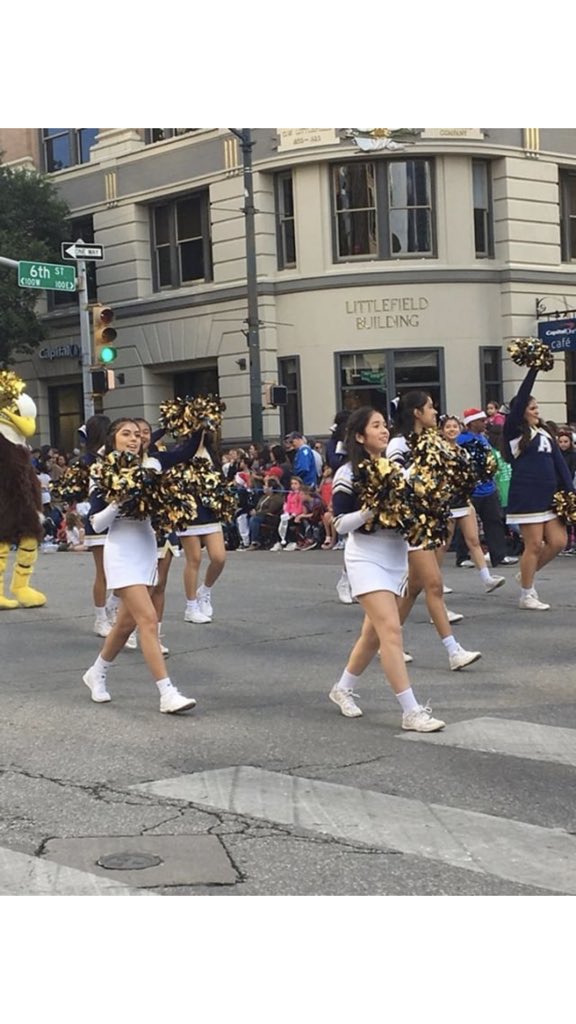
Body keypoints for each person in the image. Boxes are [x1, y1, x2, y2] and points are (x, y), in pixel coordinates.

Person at [329, 406, 445, 731]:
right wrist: (370, 511)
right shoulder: (347, 473)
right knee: (391, 631)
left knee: (372, 635)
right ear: (359, 436)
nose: (383, 431)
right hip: (365, 558)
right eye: (376, 426)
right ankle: (411, 711)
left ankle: (342, 688)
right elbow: (339, 524)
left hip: (396, 559)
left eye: (384, 425)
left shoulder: (397, 470)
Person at [82, 417, 198, 713]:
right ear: (113, 439)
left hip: (147, 549)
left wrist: (198, 421)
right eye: (126, 434)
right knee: (147, 619)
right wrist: (118, 502)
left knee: (125, 625)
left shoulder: (153, 464)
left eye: (137, 434)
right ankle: (167, 693)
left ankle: (97, 672)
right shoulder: (102, 470)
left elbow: (186, 451)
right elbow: (96, 524)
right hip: (120, 551)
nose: (133, 439)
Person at [387, 392, 481, 671]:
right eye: (429, 407)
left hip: (431, 518)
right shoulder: (399, 443)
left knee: (413, 588)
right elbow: (394, 482)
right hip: (412, 523)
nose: (435, 412)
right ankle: (453, 651)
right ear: (416, 412)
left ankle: (386, 642)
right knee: (434, 584)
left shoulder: (435, 441)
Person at [503, 365, 574, 610]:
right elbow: (522, 395)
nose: (537, 411)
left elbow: (559, 463)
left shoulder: (543, 432)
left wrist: (570, 491)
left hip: (549, 496)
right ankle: (526, 594)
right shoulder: (514, 431)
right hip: (527, 496)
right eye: (532, 408)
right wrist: (534, 369)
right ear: (521, 411)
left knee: (558, 541)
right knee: (533, 545)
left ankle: (526, 572)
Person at [438, 416, 506, 594]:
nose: (452, 430)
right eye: (448, 427)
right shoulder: (438, 451)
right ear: (442, 431)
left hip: (464, 500)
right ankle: (436, 580)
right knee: (444, 544)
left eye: (455, 426)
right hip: (447, 502)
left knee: (474, 540)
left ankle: (486, 578)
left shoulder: (463, 451)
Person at [455, 409, 518, 570]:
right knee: (466, 523)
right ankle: (462, 557)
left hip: (488, 488)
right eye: (481, 421)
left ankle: (499, 555)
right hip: (471, 489)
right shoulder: (461, 440)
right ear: (471, 423)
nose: (485, 423)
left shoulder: (484, 439)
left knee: (494, 521)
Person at [178, 427, 228, 625]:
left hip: (210, 511)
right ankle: (190, 607)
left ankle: (204, 591)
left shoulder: (211, 453)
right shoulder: (180, 453)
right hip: (188, 512)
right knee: (194, 559)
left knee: (219, 557)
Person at [247, 476, 284, 548]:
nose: (263, 487)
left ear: (271, 488)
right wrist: (255, 510)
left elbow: (271, 510)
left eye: (265, 486)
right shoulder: (263, 497)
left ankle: (255, 541)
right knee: (247, 518)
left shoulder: (277, 498)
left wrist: (257, 513)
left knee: (254, 519)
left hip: (270, 517)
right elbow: (258, 507)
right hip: (260, 515)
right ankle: (247, 540)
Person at [271, 475, 306, 551]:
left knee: (289, 523)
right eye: (292, 483)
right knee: (278, 521)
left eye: (295, 483)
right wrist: (286, 513)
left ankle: (292, 542)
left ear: (300, 485)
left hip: (297, 514)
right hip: (289, 513)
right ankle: (279, 541)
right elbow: (288, 506)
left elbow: (300, 507)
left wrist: (293, 514)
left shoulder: (301, 494)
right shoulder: (290, 494)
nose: (293, 485)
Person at [556, 427, 576, 553]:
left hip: (570, 488)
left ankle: (573, 543)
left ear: (570, 442)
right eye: (561, 442)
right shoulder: (556, 455)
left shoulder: (573, 455)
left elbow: (572, 472)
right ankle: (566, 542)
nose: (563, 444)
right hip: (558, 489)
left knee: (573, 516)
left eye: (566, 441)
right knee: (562, 518)